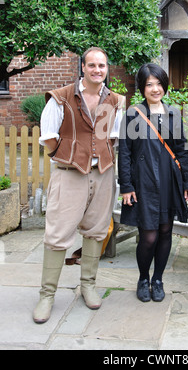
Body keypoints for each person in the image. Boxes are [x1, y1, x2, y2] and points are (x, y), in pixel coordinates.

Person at [33, 47, 123, 324]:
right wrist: (69, 157)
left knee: (96, 231)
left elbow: (113, 137)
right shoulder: (61, 98)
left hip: (103, 173)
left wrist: (101, 160)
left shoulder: (115, 100)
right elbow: (48, 137)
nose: (98, 70)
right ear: (83, 67)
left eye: (102, 66)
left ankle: (88, 285)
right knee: (58, 233)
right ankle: (47, 295)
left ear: (107, 69)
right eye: (92, 65)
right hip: (69, 174)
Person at [118, 63, 188, 302]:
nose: (155, 88)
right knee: (148, 235)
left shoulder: (173, 114)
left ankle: (158, 279)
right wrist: (127, 186)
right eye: (149, 84)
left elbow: (181, 151)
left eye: (159, 83)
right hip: (144, 183)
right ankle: (143, 278)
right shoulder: (133, 114)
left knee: (165, 232)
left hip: (169, 182)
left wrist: (187, 182)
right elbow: (125, 153)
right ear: (142, 87)